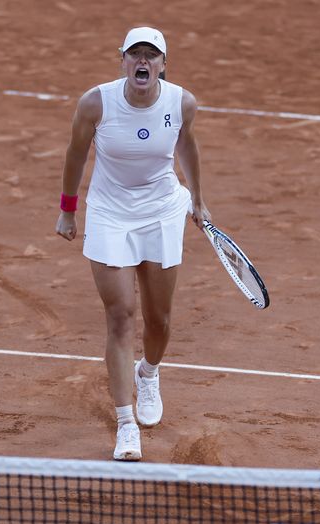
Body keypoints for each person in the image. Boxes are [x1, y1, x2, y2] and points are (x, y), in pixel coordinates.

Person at [55, 27, 210, 461]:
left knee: (158, 320)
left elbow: (187, 146)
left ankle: (149, 372)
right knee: (120, 316)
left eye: (151, 55)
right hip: (109, 213)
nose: (143, 61)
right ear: (122, 60)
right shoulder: (96, 103)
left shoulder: (181, 103)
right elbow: (75, 154)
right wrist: (68, 209)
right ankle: (126, 425)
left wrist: (198, 200)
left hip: (161, 211)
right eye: (135, 54)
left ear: (163, 64)